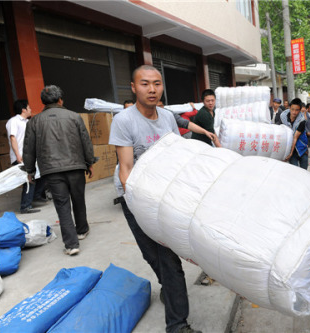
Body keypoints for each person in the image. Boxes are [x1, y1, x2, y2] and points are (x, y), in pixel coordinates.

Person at [109, 65, 201, 333]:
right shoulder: (123, 120)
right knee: (152, 256)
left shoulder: (167, 118)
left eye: (157, 84)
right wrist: (140, 208)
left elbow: (176, 158)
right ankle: (169, 290)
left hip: (162, 198)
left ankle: (177, 325)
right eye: (145, 84)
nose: (152, 89)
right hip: (134, 197)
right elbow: (126, 169)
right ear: (134, 87)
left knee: (169, 261)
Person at [23, 86, 95, 256]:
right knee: (78, 199)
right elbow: (86, 141)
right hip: (76, 166)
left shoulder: (34, 121)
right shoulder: (74, 116)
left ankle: (71, 245)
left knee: (62, 205)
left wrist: (30, 170)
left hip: (51, 169)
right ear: (61, 100)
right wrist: (89, 162)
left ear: (43, 102)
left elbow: (28, 148)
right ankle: (82, 230)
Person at [6, 100, 48, 214]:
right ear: (23, 109)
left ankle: (36, 195)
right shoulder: (13, 121)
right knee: (29, 180)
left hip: (29, 156)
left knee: (42, 175)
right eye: (29, 107)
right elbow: (12, 138)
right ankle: (25, 206)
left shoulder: (26, 122)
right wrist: (18, 156)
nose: (30, 110)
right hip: (21, 157)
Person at [280, 98, 309, 169]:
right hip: (289, 149)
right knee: (295, 170)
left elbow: (295, 137)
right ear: (289, 107)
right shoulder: (282, 117)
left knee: (304, 172)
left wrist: (290, 153)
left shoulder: (302, 121)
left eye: (297, 110)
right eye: (292, 109)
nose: (294, 112)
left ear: (300, 110)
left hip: (301, 149)